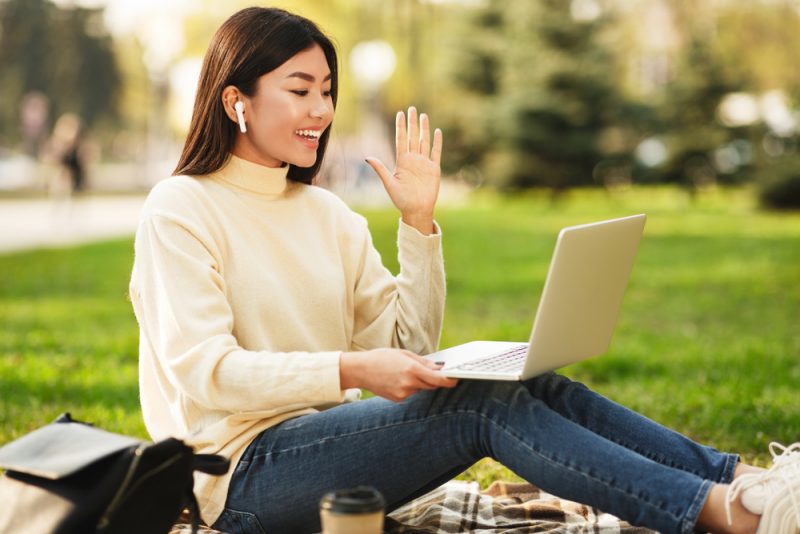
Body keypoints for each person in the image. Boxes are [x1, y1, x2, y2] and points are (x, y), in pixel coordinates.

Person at [129, 7, 799, 534]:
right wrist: (352, 371)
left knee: (533, 381)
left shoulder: (326, 214)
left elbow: (406, 348)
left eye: (327, 91)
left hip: (324, 455)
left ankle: (749, 481)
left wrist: (419, 225)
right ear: (234, 100)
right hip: (238, 480)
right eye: (299, 90)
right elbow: (204, 371)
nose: (320, 112)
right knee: (482, 402)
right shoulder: (181, 208)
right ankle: (720, 515)